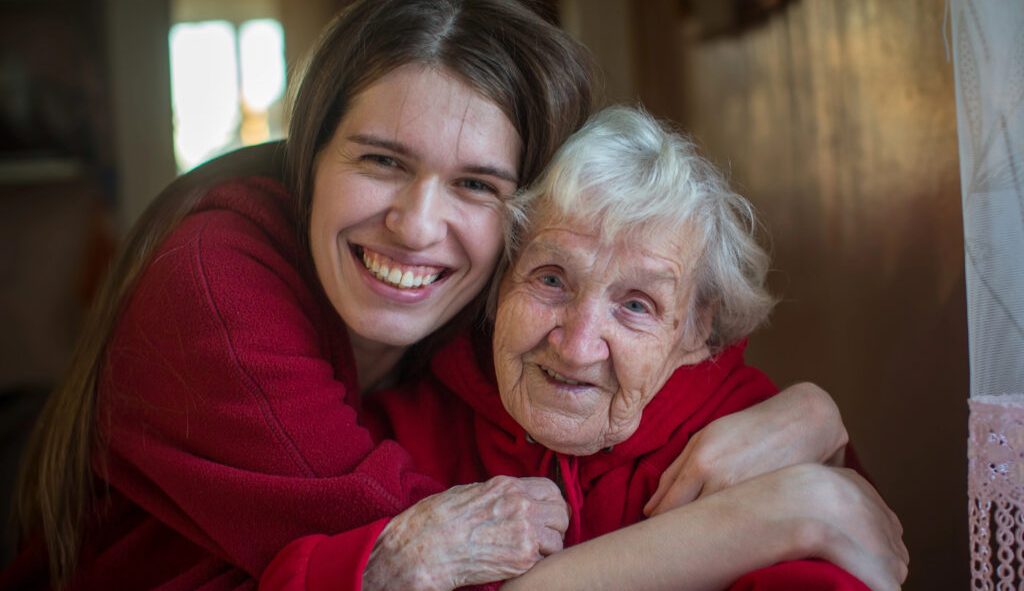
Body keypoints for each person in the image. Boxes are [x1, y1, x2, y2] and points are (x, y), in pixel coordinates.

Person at [2, 2, 882, 590]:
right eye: (382, 160)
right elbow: (436, 566)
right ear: (311, 155)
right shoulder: (217, 280)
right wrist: (786, 511)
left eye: (476, 186)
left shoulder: (493, 314)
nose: (418, 227)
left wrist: (813, 414)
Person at [265, 107, 908, 591]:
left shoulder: (753, 444)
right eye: (550, 279)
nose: (575, 348)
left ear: (694, 327)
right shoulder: (393, 430)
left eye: (636, 305)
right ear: (500, 279)